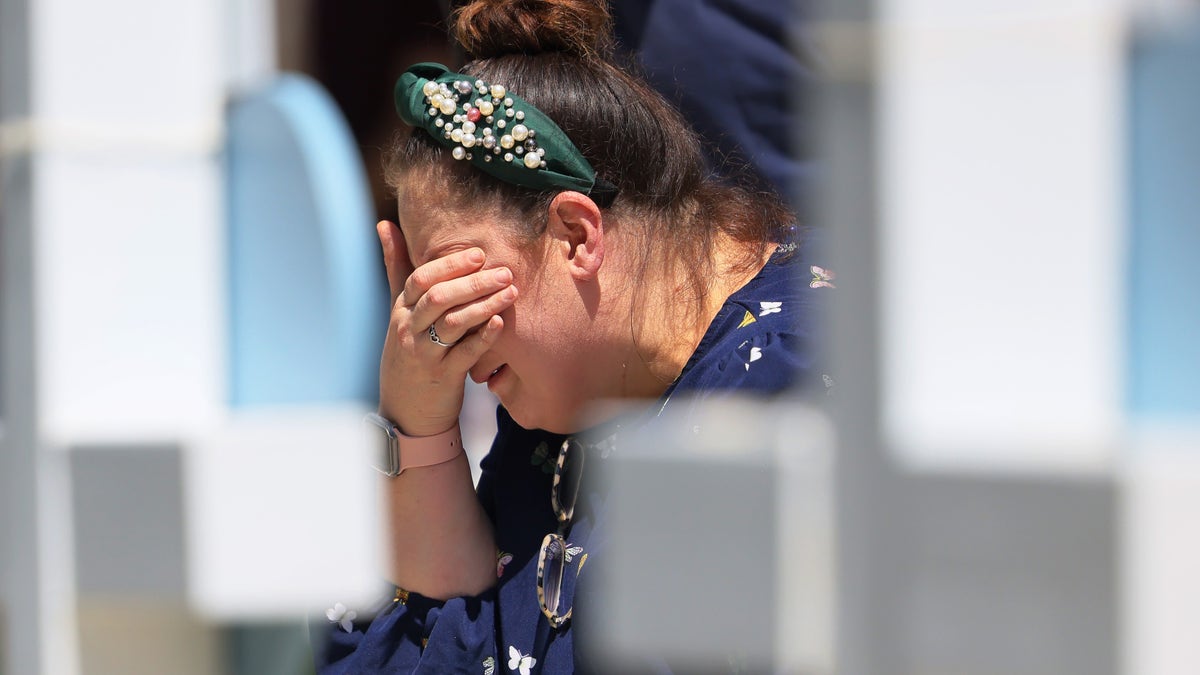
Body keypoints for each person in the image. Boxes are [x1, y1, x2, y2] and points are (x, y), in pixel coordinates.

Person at [316, 0, 831, 672]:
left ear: (577, 235)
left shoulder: (793, 389)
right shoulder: (567, 402)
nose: (442, 340)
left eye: (455, 288)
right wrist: (417, 428)